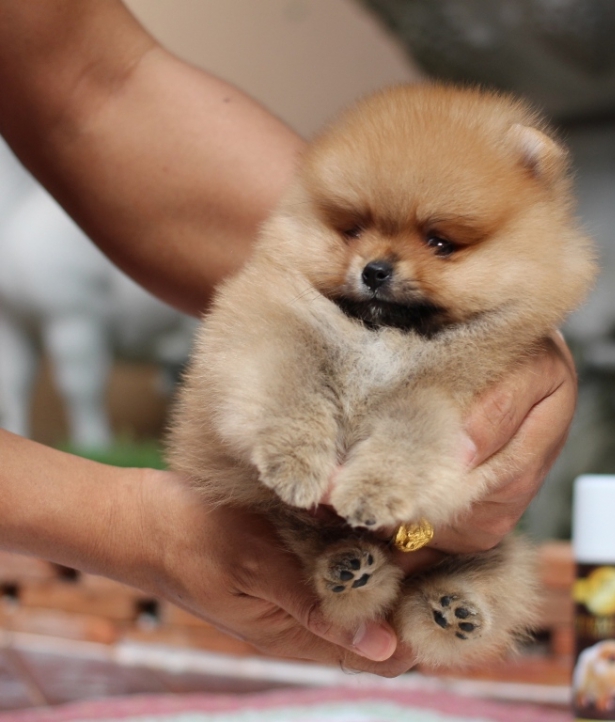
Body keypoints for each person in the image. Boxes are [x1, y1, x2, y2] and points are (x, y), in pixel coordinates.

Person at [0, 0, 578, 676]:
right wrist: (125, 521)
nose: (377, 262)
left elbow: (94, 85)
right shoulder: (290, 298)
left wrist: (529, 366)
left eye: (442, 242)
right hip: (277, 514)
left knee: (460, 540)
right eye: (353, 230)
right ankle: (350, 565)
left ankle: (445, 589)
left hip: (422, 536)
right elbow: (253, 362)